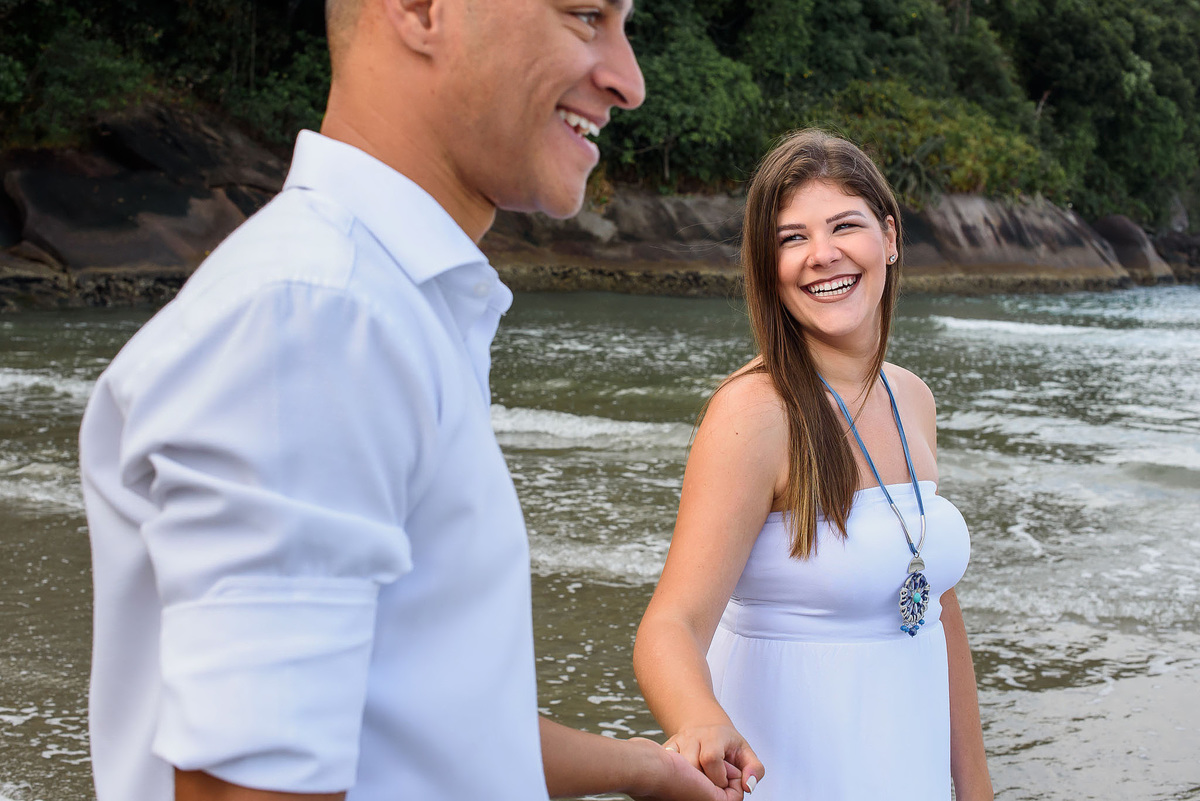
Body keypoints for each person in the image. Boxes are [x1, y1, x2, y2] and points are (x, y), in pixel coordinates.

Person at [78, 1, 754, 799]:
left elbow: (414, 717)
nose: (628, 81)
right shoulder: (320, 318)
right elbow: (249, 787)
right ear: (420, 10)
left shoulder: (380, 308)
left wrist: (646, 768)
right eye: (584, 15)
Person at [632, 129, 994, 800]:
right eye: (791, 237)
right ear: (768, 265)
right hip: (789, 777)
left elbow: (935, 603)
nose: (821, 254)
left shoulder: (912, 397)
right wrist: (698, 718)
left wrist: (974, 787)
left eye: (844, 225)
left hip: (905, 774)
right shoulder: (756, 412)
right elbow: (669, 627)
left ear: (889, 237)